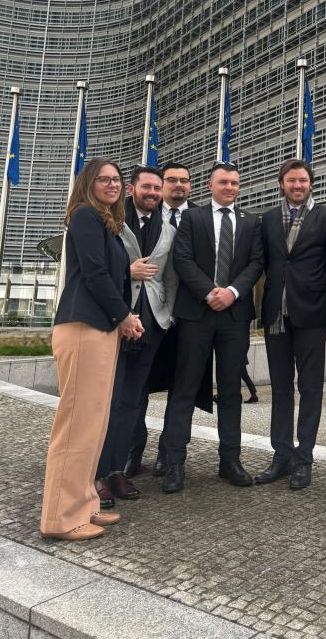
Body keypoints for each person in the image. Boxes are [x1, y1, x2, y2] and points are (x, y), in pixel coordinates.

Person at [40, 159, 142, 541]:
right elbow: (96, 274)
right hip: (84, 327)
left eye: (116, 180)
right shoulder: (84, 216)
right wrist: (125, 316)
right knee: (76, 426)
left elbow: (111, 273)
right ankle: (60, 518)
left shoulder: (105, 223)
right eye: (103, 179)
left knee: (93, 424)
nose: (112, 185)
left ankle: (84, 505)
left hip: (99, 330)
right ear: (88, 183)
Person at [161, 161, 263, 493]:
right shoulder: (193, 217)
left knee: (231, 391)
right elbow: (183, 259)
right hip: (197, 314)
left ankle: (230, 461)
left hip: (235, 316)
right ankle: (175, 463)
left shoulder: (250, 222)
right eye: (224, 182)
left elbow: (256, 263)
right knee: (185, 388)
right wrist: (210, 293)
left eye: (235, 183)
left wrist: (231, 293)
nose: (230, 188)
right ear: (210, 185)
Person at [255, 159, 326, 490]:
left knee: (310, 388)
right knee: (280, 389)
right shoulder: (266, 220)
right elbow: (264, 262)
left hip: (311, 314)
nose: (297, 185)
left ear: (310, 184)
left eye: (303, 180)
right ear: (281, 183)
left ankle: (303, 459)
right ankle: (281, 455)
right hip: (276, 315)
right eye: (291, 180)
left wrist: (315, 293)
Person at [94, 166, 177, 508]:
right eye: (147, 187)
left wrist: (167, 314)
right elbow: (96, 266)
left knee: (131, 400)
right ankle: (95, 473)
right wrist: (128, 272)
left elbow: (170, 277)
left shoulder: (169, 230)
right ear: (132, 188)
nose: (153, 193)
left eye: (158, 188)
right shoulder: (110, 219)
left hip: (152, 324)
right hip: (115, 319)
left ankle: (116, 470)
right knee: (106, 401)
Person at [124, 161, 201, 479]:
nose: (178, 186)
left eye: (185, 180)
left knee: (181, 388)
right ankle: (132, 451)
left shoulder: (200, 216)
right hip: (145, 317)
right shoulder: (133, 217)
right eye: (171, 180)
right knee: (135, 386)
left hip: (185, 318)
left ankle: (169, 457)